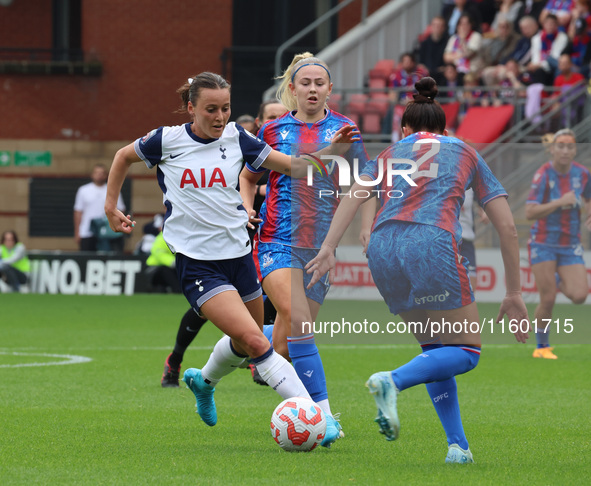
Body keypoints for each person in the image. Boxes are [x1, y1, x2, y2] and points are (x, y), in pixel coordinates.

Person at [104, 72, 358, 438]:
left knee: (249, 341)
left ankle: (204, 383)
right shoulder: (167, 140)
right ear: (191, 108)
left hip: (239, 258)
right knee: (258, 344)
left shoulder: (239, 138)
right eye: (211, 109)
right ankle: (317, 417)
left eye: (225, 108)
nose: (220, 116)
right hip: (198, 264)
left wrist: (330, 152)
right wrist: (111, 206)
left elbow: (293, 167)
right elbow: (121, 157)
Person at [306, 77, 530, 464]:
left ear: (405, 129)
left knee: (434, 349)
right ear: (445, 130)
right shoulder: (464, 151)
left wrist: (328, 248)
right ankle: (391, 381)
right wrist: (513, 292)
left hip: (382, 247)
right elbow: (508, 227)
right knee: (466, 350)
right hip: (430, 242)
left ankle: (458, 447)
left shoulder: (392, 152)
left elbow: (355, 194)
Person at [239, 52, 372, 447]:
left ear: (330, 89)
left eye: (320, 83)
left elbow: (365, 183)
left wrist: (368, 227)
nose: (312, 89)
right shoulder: (272, 129)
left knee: (282, 344)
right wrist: (247, 207)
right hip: (276, 239)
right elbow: (249, 176)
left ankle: (232, 345)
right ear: (293, 88)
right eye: (305, 83)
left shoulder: (347, 129)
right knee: (301, 323)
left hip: (320, 247)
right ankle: (325, 417)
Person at [161, 100, 289, 389]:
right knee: (204, 310)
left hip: (263, 238)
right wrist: (248, 205)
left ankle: (252, 357)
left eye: (282, 116)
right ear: (260, 121)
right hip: (219, 240)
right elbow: (246, 180)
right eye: (271, 116)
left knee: (268, 305)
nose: (277, 121)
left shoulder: (275, 147)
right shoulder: (238, 143)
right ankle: (176, 359)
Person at [525, 128, 590, 359]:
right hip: (543, 243)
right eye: (560, 146)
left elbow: (588, 198)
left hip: (570, 244)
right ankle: (541, 347)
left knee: (580, 295)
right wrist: (559, 202)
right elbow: (530, 212)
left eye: (569, 146)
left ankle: (554, 279)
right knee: (548, 298)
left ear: (575, 150)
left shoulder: (583, 174)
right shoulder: (543, 174)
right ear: (552, 149)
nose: (565, 150)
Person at [74, 164, 126, 252]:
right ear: (92, 175)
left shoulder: (113, 190)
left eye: (102, 173)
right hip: (87, 232)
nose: (99, 175)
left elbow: (121, 210)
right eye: (97, 173)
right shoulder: (83, 190)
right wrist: (77, 232)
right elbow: (78, 212)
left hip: (108, 233)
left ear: (106, 175)